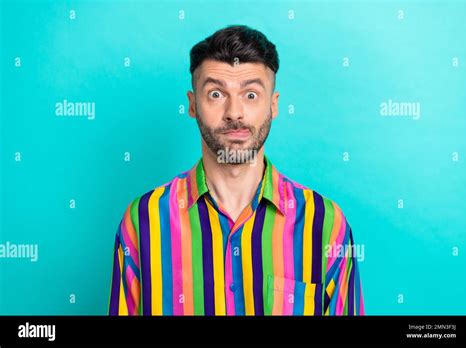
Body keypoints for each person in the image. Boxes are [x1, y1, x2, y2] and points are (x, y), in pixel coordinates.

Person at [108, 25, 364, 316]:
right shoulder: (143, 221)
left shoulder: (325, 225)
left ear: (273, 105)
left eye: (251, 95)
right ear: (193, 105)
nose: (234, 112)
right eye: (216, 94)